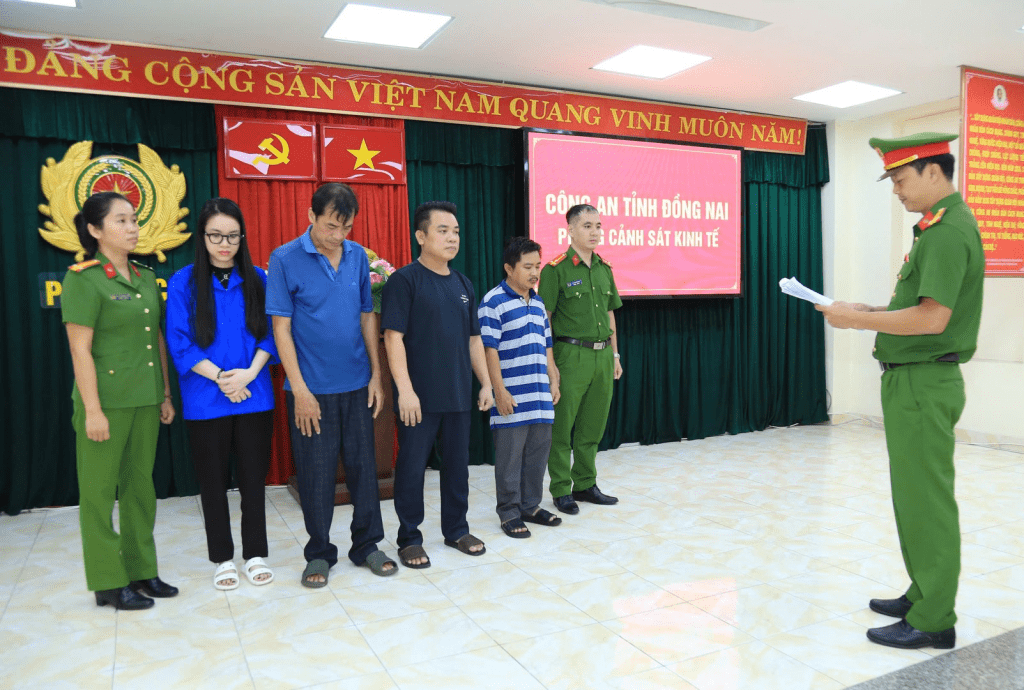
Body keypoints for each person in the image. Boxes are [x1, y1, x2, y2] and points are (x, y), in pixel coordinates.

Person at [817, 132, 984, 650]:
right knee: (912, 498)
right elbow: (918, 306)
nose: (895, 190)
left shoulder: (948, 231)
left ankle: (934, 618)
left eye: (900, 178)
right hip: (912, 380)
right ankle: (922, 591)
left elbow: (933, 319)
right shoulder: (936, 227)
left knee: (927, 501)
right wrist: (868, 311)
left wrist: (858, 323)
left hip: (923, 381)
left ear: (934, 171)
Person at [266, 183, 396, 587]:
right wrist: (300, 390)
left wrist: (376, 375)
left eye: (346, 228)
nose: (338, 236)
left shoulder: (357, 257)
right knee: (316, 475)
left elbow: (366, 316)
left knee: (364, 470)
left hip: (357, 384)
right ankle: (319, 553)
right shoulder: (285, 259)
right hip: (312, 391)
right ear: (311, 216)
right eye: (330, 227)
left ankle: (367, 545)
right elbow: (281, 329)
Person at [61, 191, 178, 610]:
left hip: (145, 398)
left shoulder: (145, 276)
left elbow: (156, 339)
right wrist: (92, 410)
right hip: (105, 404)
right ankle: (109, 582)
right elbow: (80, 350)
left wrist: (164, 392)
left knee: (139, 489)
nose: (133, 228)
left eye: (134, 220)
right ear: (95, 230)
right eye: (121, 221)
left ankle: (142, 570)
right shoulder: (83, 279)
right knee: (97, 495)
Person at [166, 198, 277, 590]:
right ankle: (222, 558)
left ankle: (255, 554)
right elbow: (179, 342)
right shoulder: (183, 282)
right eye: (215, 236)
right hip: (205, 397)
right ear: (202, 237)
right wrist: (222, 379)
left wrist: (248, 374)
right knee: (212, 484)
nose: (224, 244)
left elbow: (273, 334)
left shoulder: (259, 279)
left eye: (232, 236)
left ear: (242, 237)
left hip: (254, 394)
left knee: (253, 481)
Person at [381, 201, 493, 567]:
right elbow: (393, 338)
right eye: (443, 231)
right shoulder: (404, 280)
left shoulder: (463, 283)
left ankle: (456, 529)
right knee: (412, 468)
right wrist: (405, 390)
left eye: (456, 231)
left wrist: (486, 384)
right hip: (419, 398)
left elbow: (474, 340)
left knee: (457, 467)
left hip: (458, 394)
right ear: (421, 236)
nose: (452, 238)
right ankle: (409, 538)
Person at [538, 204, 623, 515]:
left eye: (598, 226)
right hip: (570, 355)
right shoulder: (555, 270)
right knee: (562, 427)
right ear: (570, 230)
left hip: (603, 356)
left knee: (592, 425)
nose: (595, 232)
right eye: (587, 226)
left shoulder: (604, 268)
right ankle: (561, 489)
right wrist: (550, 365)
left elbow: (610, 314)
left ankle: (585, 483)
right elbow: (545, 319)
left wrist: (615, 354)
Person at [478, 237, 562, 538]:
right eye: (527, 267)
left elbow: (547, 345)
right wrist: (498, 390)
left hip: (540, 394)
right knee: (510, 458)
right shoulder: (493, 302)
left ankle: (530, 506)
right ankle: (509, 512)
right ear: (509, 268)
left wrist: (554, 378)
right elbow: (489, 350)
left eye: (537, 266)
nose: (534, 272)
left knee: (537, 455)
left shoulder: (538, 303)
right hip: (512, 394)